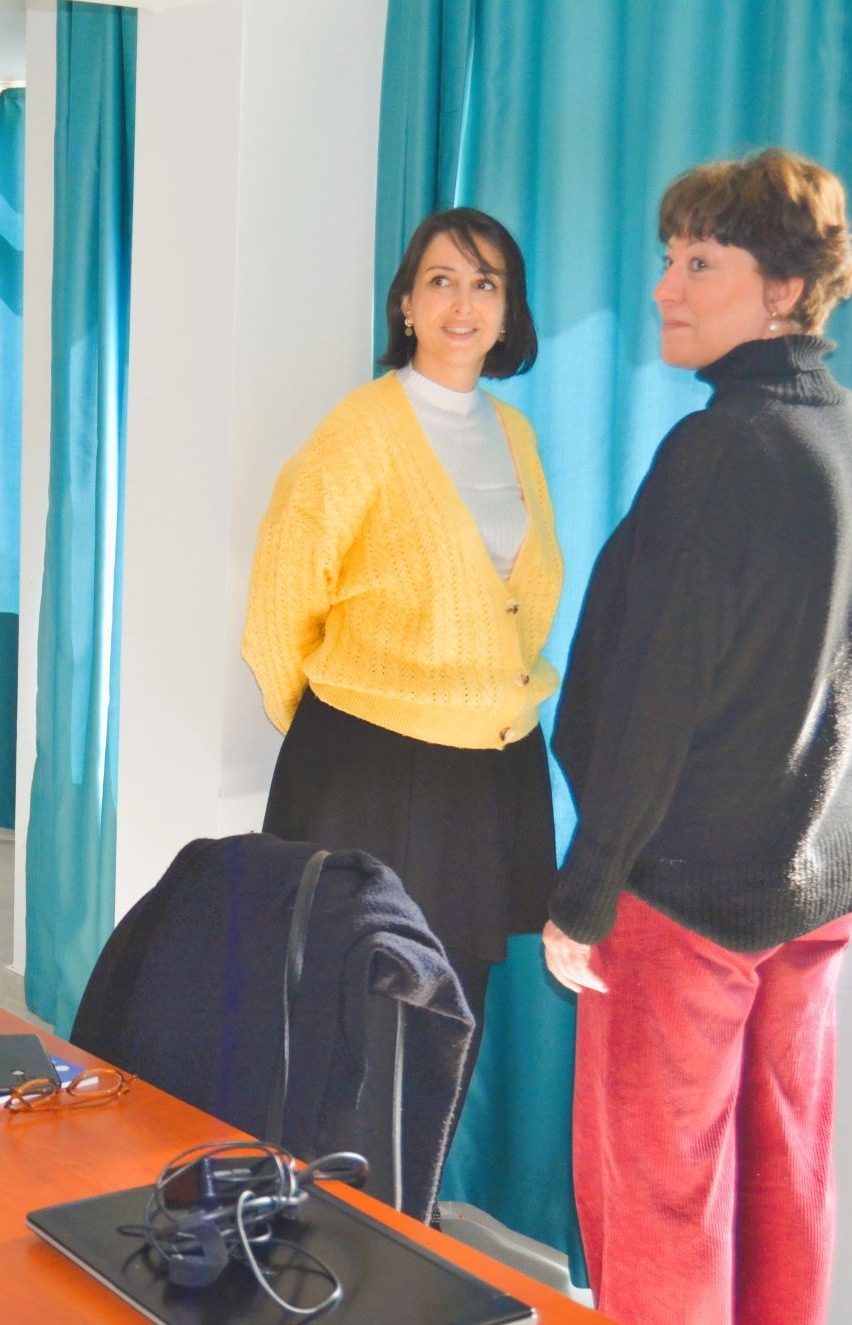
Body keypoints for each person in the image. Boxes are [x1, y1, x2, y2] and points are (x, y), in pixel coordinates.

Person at [540, 149, 852, 1325]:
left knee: (657, 1200)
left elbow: (656, 695)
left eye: (700, 262)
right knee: (782, 1180)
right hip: (812, 877)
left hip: (686, 892)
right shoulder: (850, 436)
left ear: (782, 289)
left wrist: (584, 891)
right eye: (667, 258)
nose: (664, 287)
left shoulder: (722, 446)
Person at [243, 208, 561, 1147]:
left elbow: (519, 607)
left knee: (453, 1015)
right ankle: (334, 1217)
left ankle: (410, 1211)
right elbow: (278, 605)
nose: (463, 303)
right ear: (407, 305)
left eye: (486, 282)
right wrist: (336, 733)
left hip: (491, 773)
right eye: (441, 280)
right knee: (359, 1020)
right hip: (373, 768)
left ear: (509, 311)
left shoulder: (515, 434)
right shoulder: (361, 430)